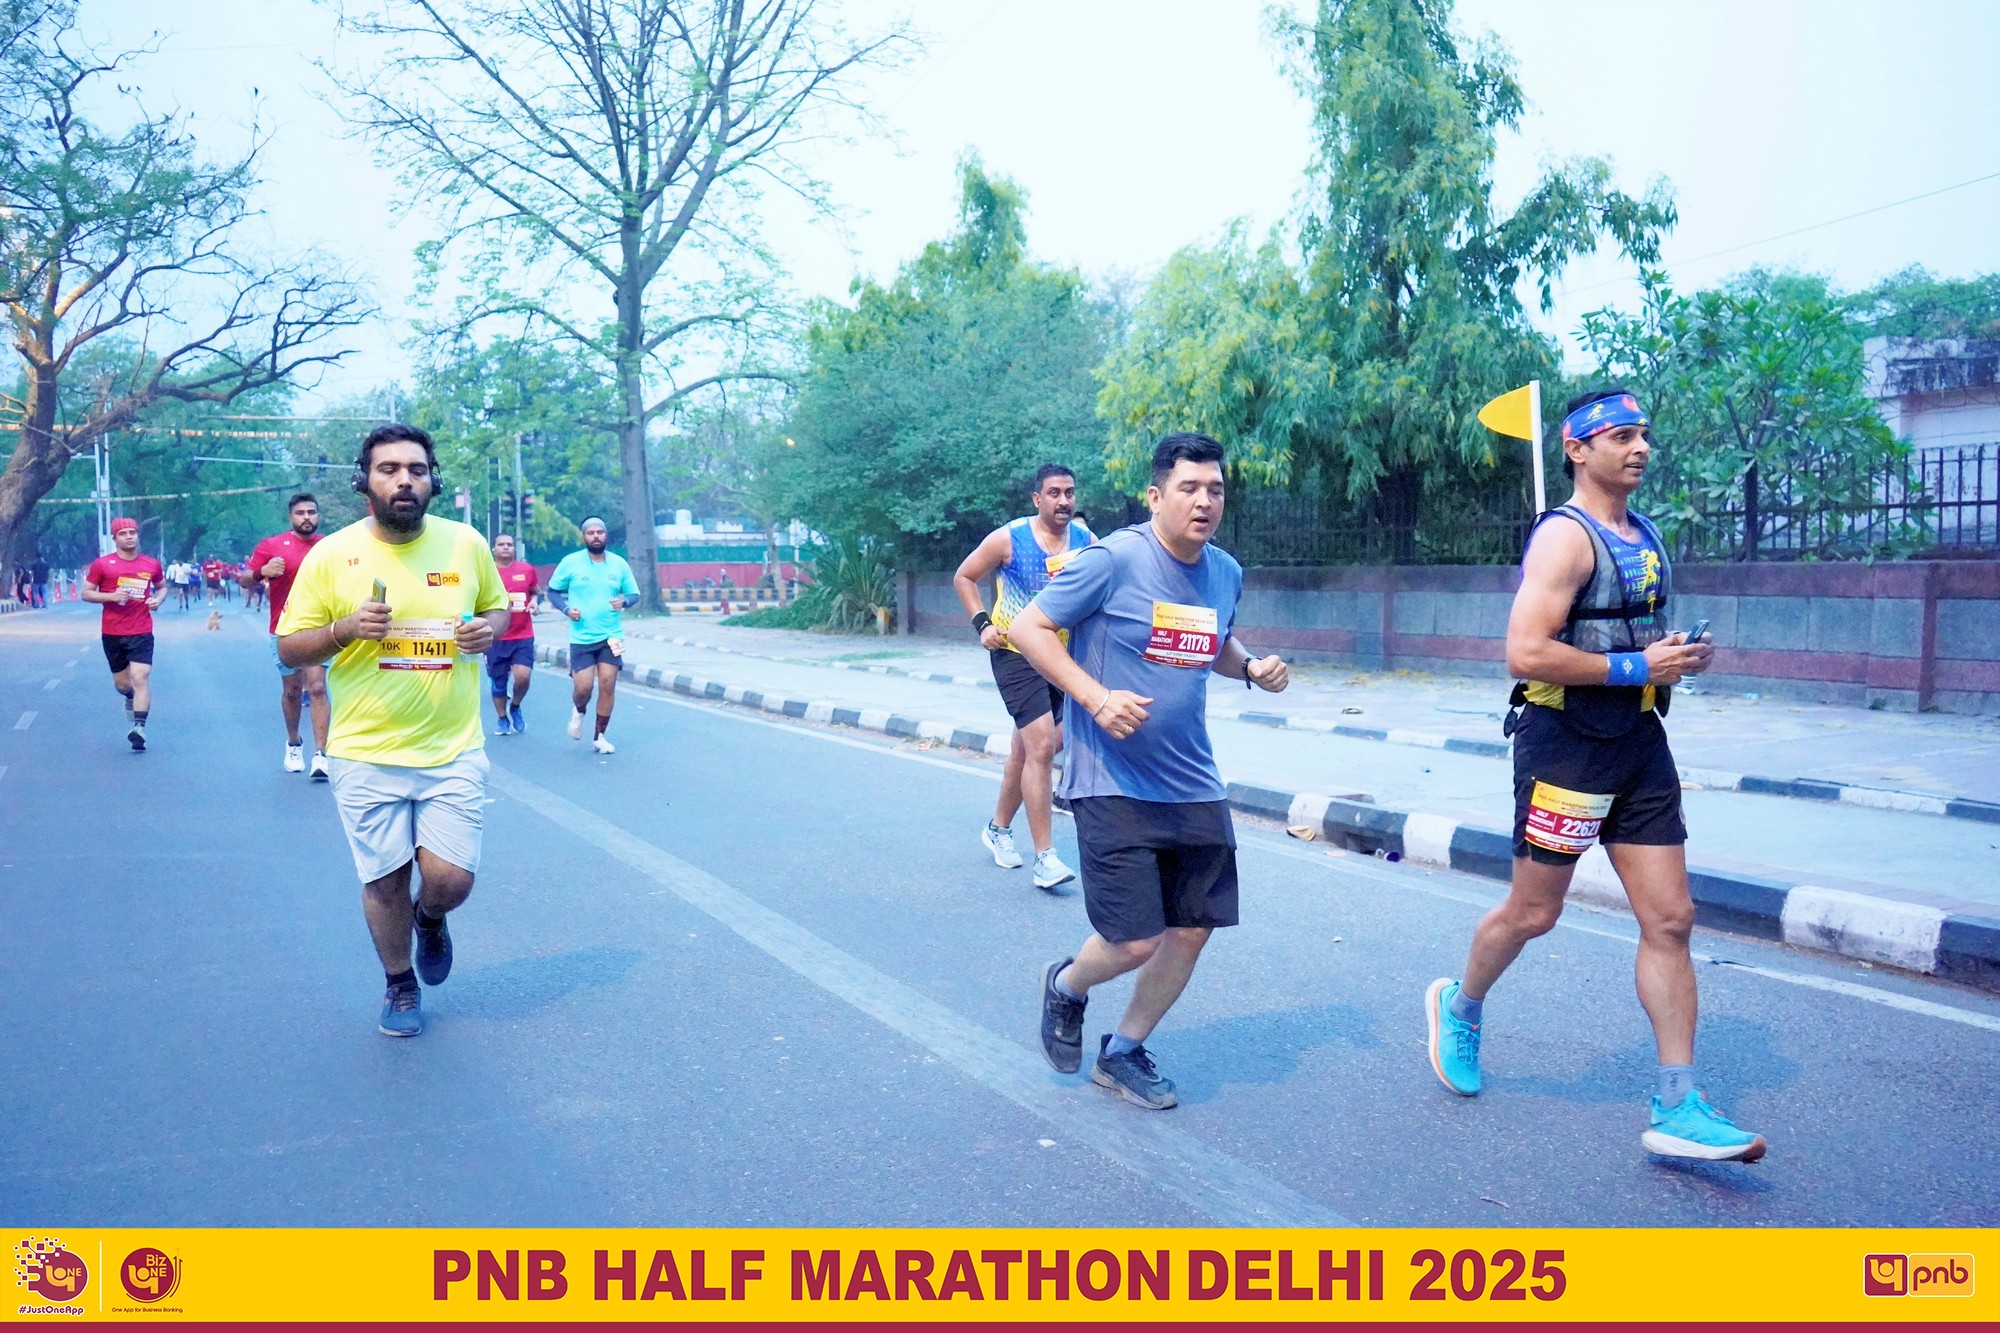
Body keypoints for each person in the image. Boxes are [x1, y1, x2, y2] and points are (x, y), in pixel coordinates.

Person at [1423, 388, 1764, 1163]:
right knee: (1534, 912)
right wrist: (1639, 664)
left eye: (1644, 433)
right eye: (1620, 436)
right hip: (1567, 747)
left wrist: (1676, 655)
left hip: (1639, 741)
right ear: (1577, 449)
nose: (1640, 447)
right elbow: (1525, 652)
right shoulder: (1564, 539)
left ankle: (1678, 1103)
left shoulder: (1643, 533)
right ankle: (1461, 1005)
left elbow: (1630, 637)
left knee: (1671, 918)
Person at [1011, 433, 1288, 1110]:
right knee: (1134, 940)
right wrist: (1095, 697)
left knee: (1191, 928)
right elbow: (1029, 629)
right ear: (1156, 495)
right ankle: (1068, 986)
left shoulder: (1224, 570)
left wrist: (1250, 667)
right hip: (1111, 780)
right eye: (1189, 488)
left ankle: (1125, 1051)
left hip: (1193, 780)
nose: (1204, 501)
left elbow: (1213, 639)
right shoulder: (1113, 559)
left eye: (1215, 489)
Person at [277, 424, 508, 1038]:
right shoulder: (332, 556)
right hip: (364, 751)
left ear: (432, 481)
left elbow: (497, 607)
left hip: (452, 748)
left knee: (450, 879)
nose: (404, 480)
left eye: (416, 469)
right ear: (365, 481)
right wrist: (345, 630)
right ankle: (399, 983)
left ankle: (429, 918)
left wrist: (487, 629)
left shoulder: (465, 544)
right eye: (389, 469)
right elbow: (289, 646)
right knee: (384, 881)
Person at [953, 463, 1095, 890]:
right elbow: (964, 576)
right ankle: (1045, 859)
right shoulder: (1009, 538)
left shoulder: (1087, 541)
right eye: (1054, 493)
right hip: (1014, 651)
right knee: (1041, 747)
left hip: (1060, 656)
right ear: (1037, 499)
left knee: (1026, 749)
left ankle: (998, 828)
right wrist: (982, 624)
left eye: (1069, 493)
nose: (1063, 500)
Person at [245, 493, 332, 778]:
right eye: (300, 513)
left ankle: (321, 754)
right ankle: (294, 743)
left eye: (311, 512)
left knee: (317, 688)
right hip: (285, 628)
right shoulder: (271, 545)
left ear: (318, 515)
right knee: (293, 691)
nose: (307, 517)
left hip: (318, 628)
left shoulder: (329, 546)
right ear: (290, 517)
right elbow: (244, 579)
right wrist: (262, 572)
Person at [546, 518, 639, 755]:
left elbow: (633, 594)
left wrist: (624, 601)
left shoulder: (619, 564)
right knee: (583, 688)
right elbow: (553, 591)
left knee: (608, 683)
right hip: (582, 638)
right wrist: (567, 609)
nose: (596, 536)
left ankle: (600, 736)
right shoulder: (571, 562)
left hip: (612, 636)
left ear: (606, 536)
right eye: (591, 533)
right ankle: (579, 711)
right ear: (584, 537)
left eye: (600, 532)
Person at [81, 517, 167, 751]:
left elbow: (162, 587)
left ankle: (139, 728)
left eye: (132, 532)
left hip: (141, 630)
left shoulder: (151, 564)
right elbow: (86, 593)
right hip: (113, 632)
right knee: (122, 684)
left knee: (140, 677)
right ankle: (129, 696)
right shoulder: (102, 565)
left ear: (137, 535)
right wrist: (111, 596)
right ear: (115, 538)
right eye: (123, 533)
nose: (129, 537)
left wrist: (158, 600)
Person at [487, 532, 539, 735]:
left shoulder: (526, 570)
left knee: (523, 676)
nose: (506, 547)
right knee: (499, 684)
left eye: (509, 544)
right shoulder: (486, 570)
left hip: (522, 634)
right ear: (494, 549)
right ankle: (502, 718)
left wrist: (534, 602)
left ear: (514, 548)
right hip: (496, 636)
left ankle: (515, 706)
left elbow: (534, 592)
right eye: (501, 544)